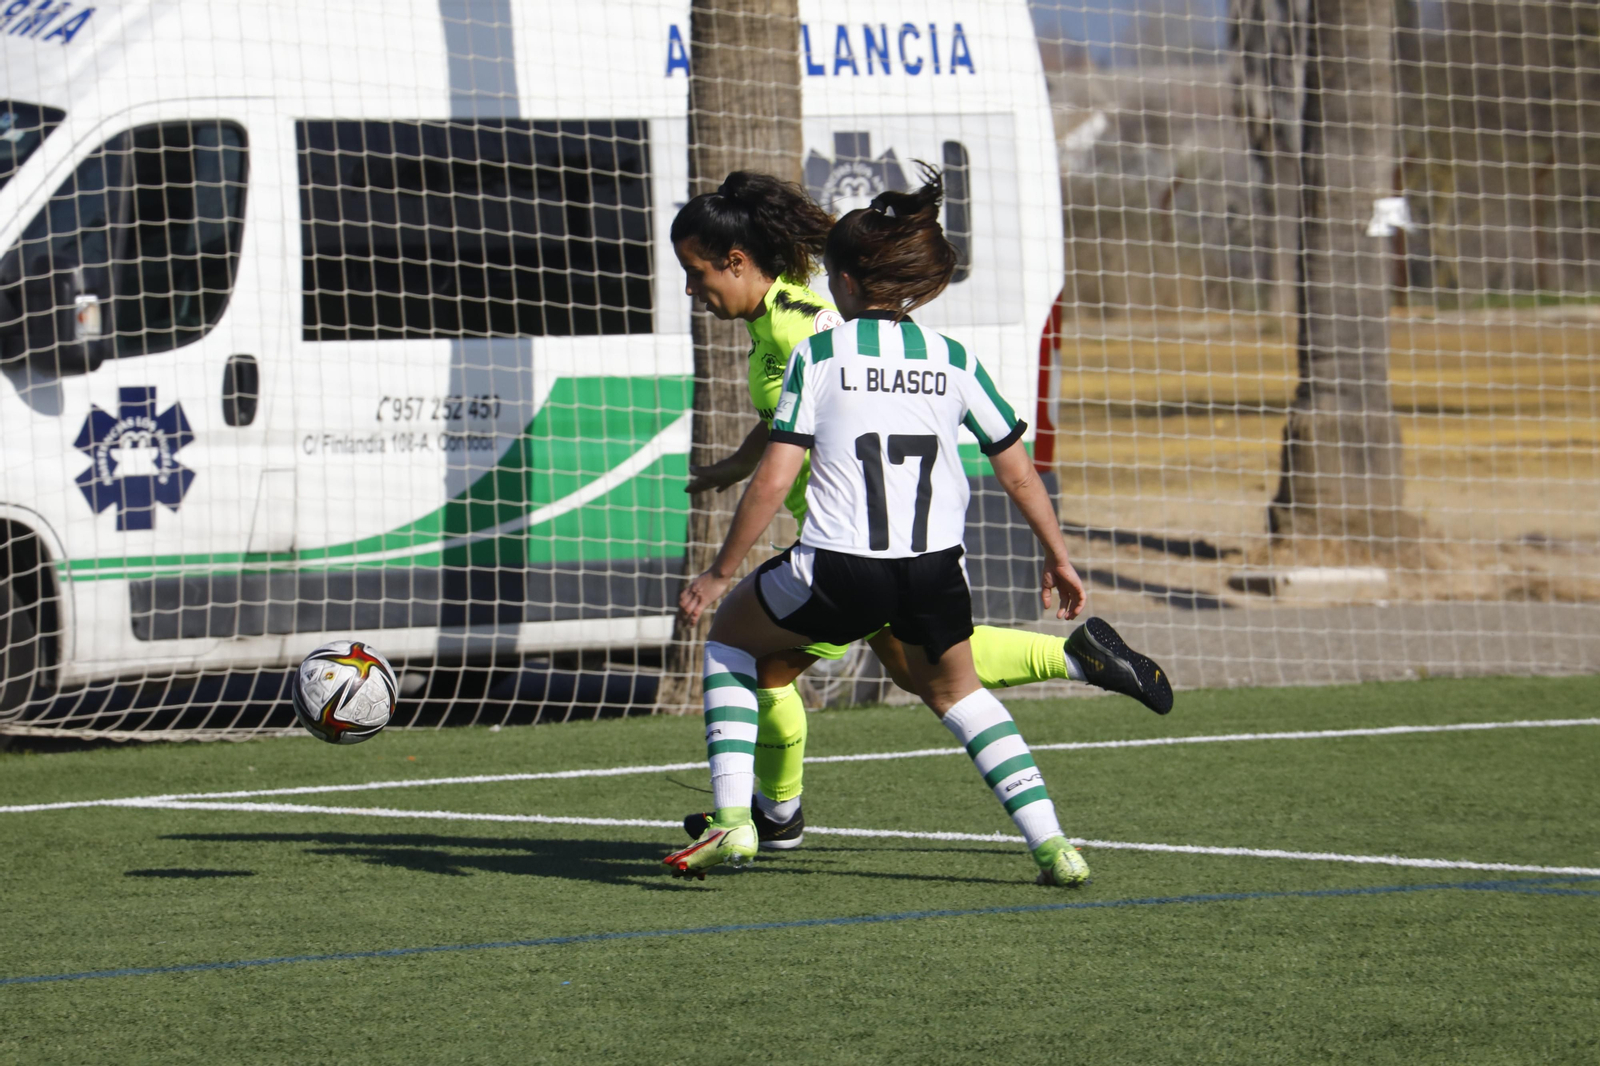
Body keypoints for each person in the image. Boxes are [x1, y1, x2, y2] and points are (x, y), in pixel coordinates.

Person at [665, 167, 1171, 885]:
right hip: (931, 563)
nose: (693, 287)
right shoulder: (953, 359)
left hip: (839, 557)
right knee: (946, 687)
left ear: (841, 282)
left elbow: (782, 465)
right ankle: (1056, 843)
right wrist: (1060, 556)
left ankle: (742, 820)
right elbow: (1018, 470)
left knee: (736, 646)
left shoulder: (814, 342)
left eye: (695, 272)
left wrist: (719, 572)